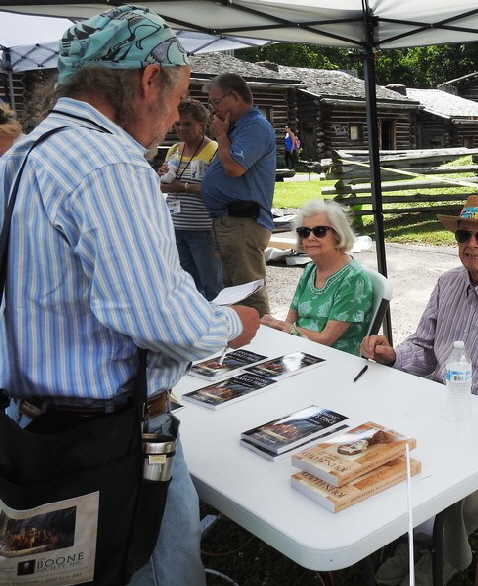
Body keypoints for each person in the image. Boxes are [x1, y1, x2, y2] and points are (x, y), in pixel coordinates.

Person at [0, 6, 259, 586]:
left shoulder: (25, 154)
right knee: (137, 565)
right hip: (106, 438)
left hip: (30, 424)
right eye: (178, 95)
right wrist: (234, 323)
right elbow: (158, 317)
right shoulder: (111, 165)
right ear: (148, 80)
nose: (175, 115)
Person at [361, 195, 478, 586]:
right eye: (464, 234)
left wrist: (475, 427)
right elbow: (425, 347)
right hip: (434, 400)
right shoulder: (447, 283)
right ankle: (417, 538)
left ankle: (446, 555)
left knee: (461, 482)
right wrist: (394, 355)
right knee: (381, 446)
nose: (472, 244)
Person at [201, 73, 276, 317]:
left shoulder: (255, 127)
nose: (213, 110)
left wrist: (221, 137)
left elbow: (234, 168)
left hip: (243, 222)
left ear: (234, 97)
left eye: (215, 102)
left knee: (249, 294)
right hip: (230, 221)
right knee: (234, 292)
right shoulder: (238, 127)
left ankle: (266, 347)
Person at [261, 199, 372, 356]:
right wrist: (283, 329)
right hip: (301, 351)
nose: (310, 238)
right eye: (304, 232)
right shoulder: (310, 269)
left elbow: (326, 340)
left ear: (338, 235)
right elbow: (290, 322)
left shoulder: (353, 278)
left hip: (335, 360)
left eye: (319, 231)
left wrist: (279, 326)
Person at [159, 97, 222, 300]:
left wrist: (182, 187)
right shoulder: (174, 150)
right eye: (178, 124)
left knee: (212, 284)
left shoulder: (213, 150)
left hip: (203, 229)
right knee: (187, 284)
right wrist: (163, 177)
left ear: (202, 125)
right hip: (176, 227)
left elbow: (217, 190)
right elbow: (165, 184)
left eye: (188, 124)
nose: (181, 129)